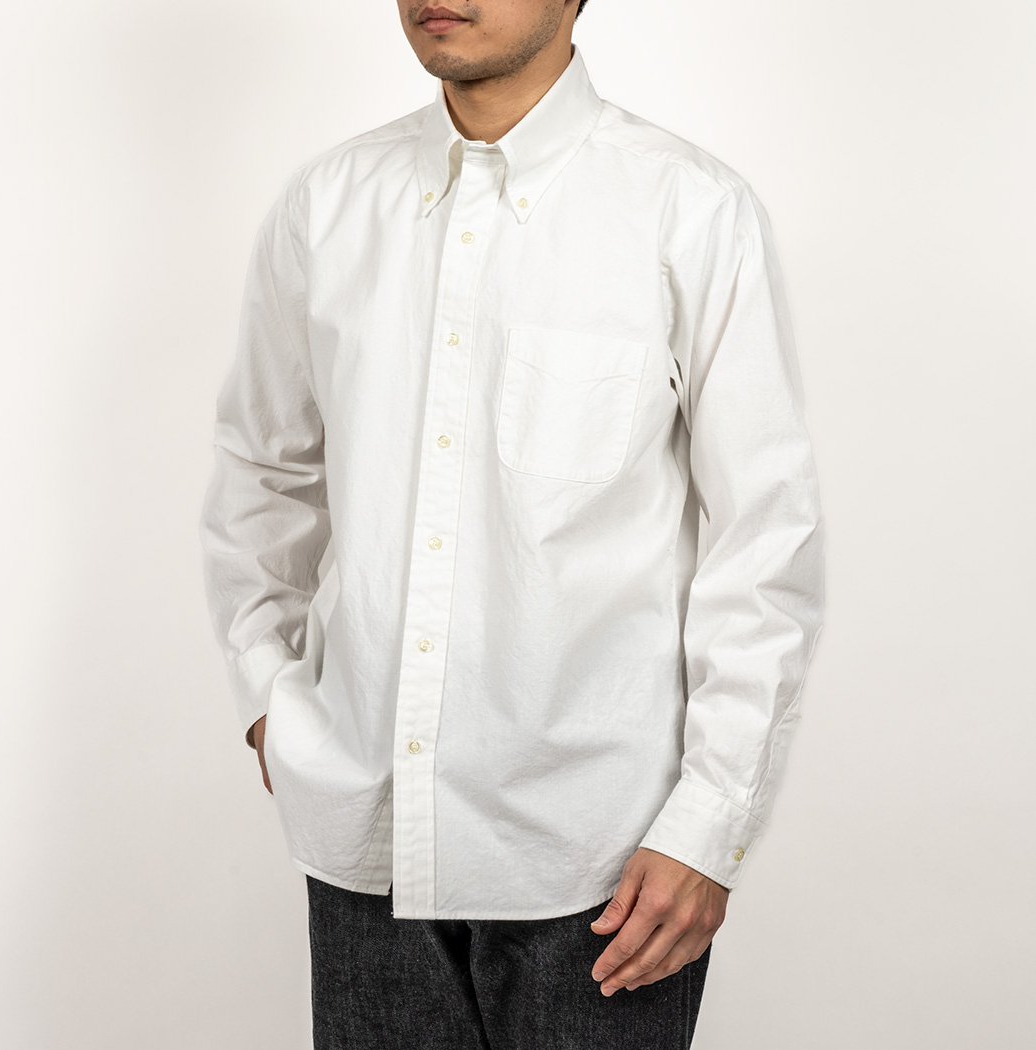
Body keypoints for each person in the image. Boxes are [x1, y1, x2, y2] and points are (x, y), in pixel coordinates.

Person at [198, 1, 825, 1046]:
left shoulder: (688, 210)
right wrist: (269, 693)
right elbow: (261, 469)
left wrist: (710, 828)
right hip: (364, 841)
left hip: (606, 863)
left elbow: (765, 539)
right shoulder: (329, 205)